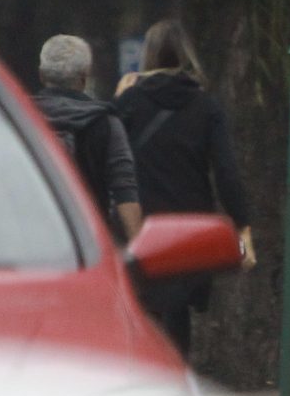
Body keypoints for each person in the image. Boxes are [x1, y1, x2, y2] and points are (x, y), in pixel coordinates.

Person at [113, 18, 255, 356]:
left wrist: (118, 98)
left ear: (148, 55)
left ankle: (148, 374)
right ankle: (178, 372)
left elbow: (111, 159)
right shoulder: (206, 107)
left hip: (141, 225)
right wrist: (243, 226)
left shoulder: (129, 103)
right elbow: (226, 172)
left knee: (145, 307)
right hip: (188, 229)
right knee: (178, 313)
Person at [34, 35, 144, 241]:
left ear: (41, 75)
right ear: (84, 79)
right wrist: (139, 250)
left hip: (32, 242)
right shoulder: (106, 123)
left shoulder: (21, 119)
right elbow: (125, 190)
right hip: (91, 244)